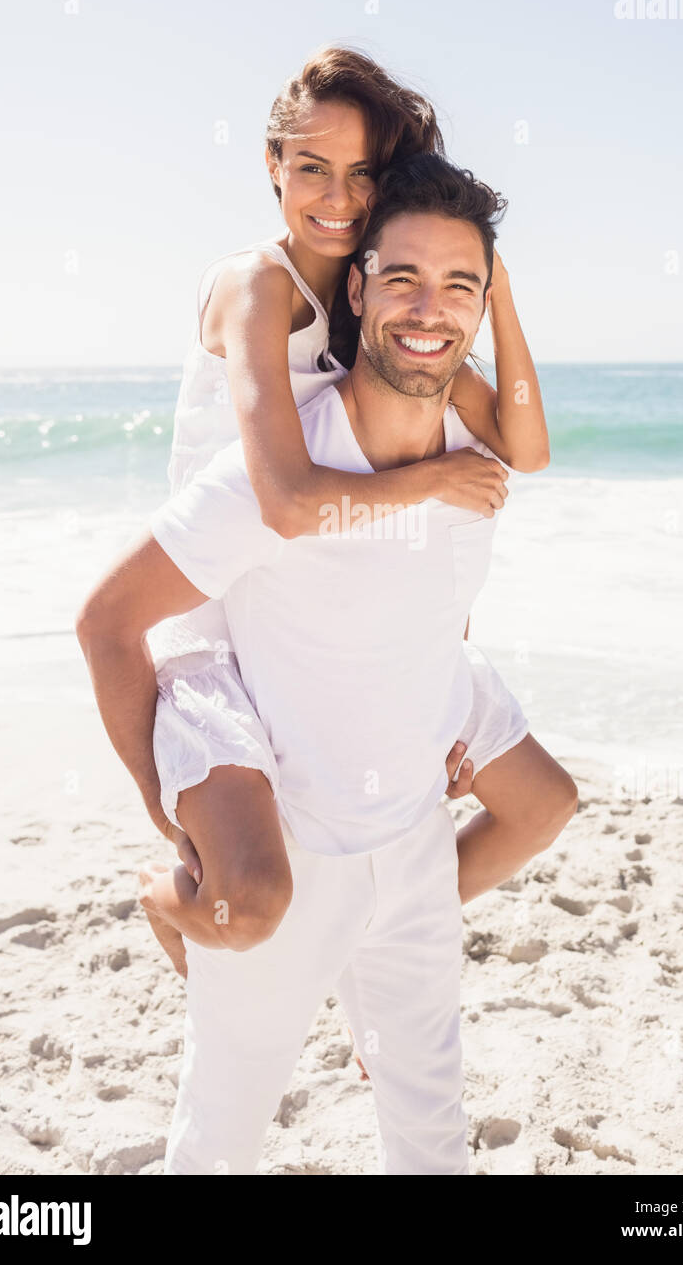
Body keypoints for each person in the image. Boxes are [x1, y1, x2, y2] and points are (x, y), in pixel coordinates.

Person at [76, 154, 578, 1174]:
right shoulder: (274, 472)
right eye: (401, 278)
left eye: (459, 284)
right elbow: (106, 621)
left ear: (483, 304)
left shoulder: (471, 455)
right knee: (214, 1150)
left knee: (432, 1149)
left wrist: (447, 714)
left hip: (415, 856)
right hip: (290, 859)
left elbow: (442, 602)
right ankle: (183, 903)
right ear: (355, 288)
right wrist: (174, 818)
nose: (427, 308)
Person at [134, 48, 568, 984]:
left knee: (539, 802)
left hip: (323, 591)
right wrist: (431, 484)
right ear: (271, 165)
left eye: (363, 173)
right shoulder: (259, 285)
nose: (338, 196)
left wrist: (495, 289)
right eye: (312, 168)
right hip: (218, 601)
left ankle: (383, 934)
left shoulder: (376, 297)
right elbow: (288, 499)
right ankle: (162, 898)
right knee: (250, 894)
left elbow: (525, 449)